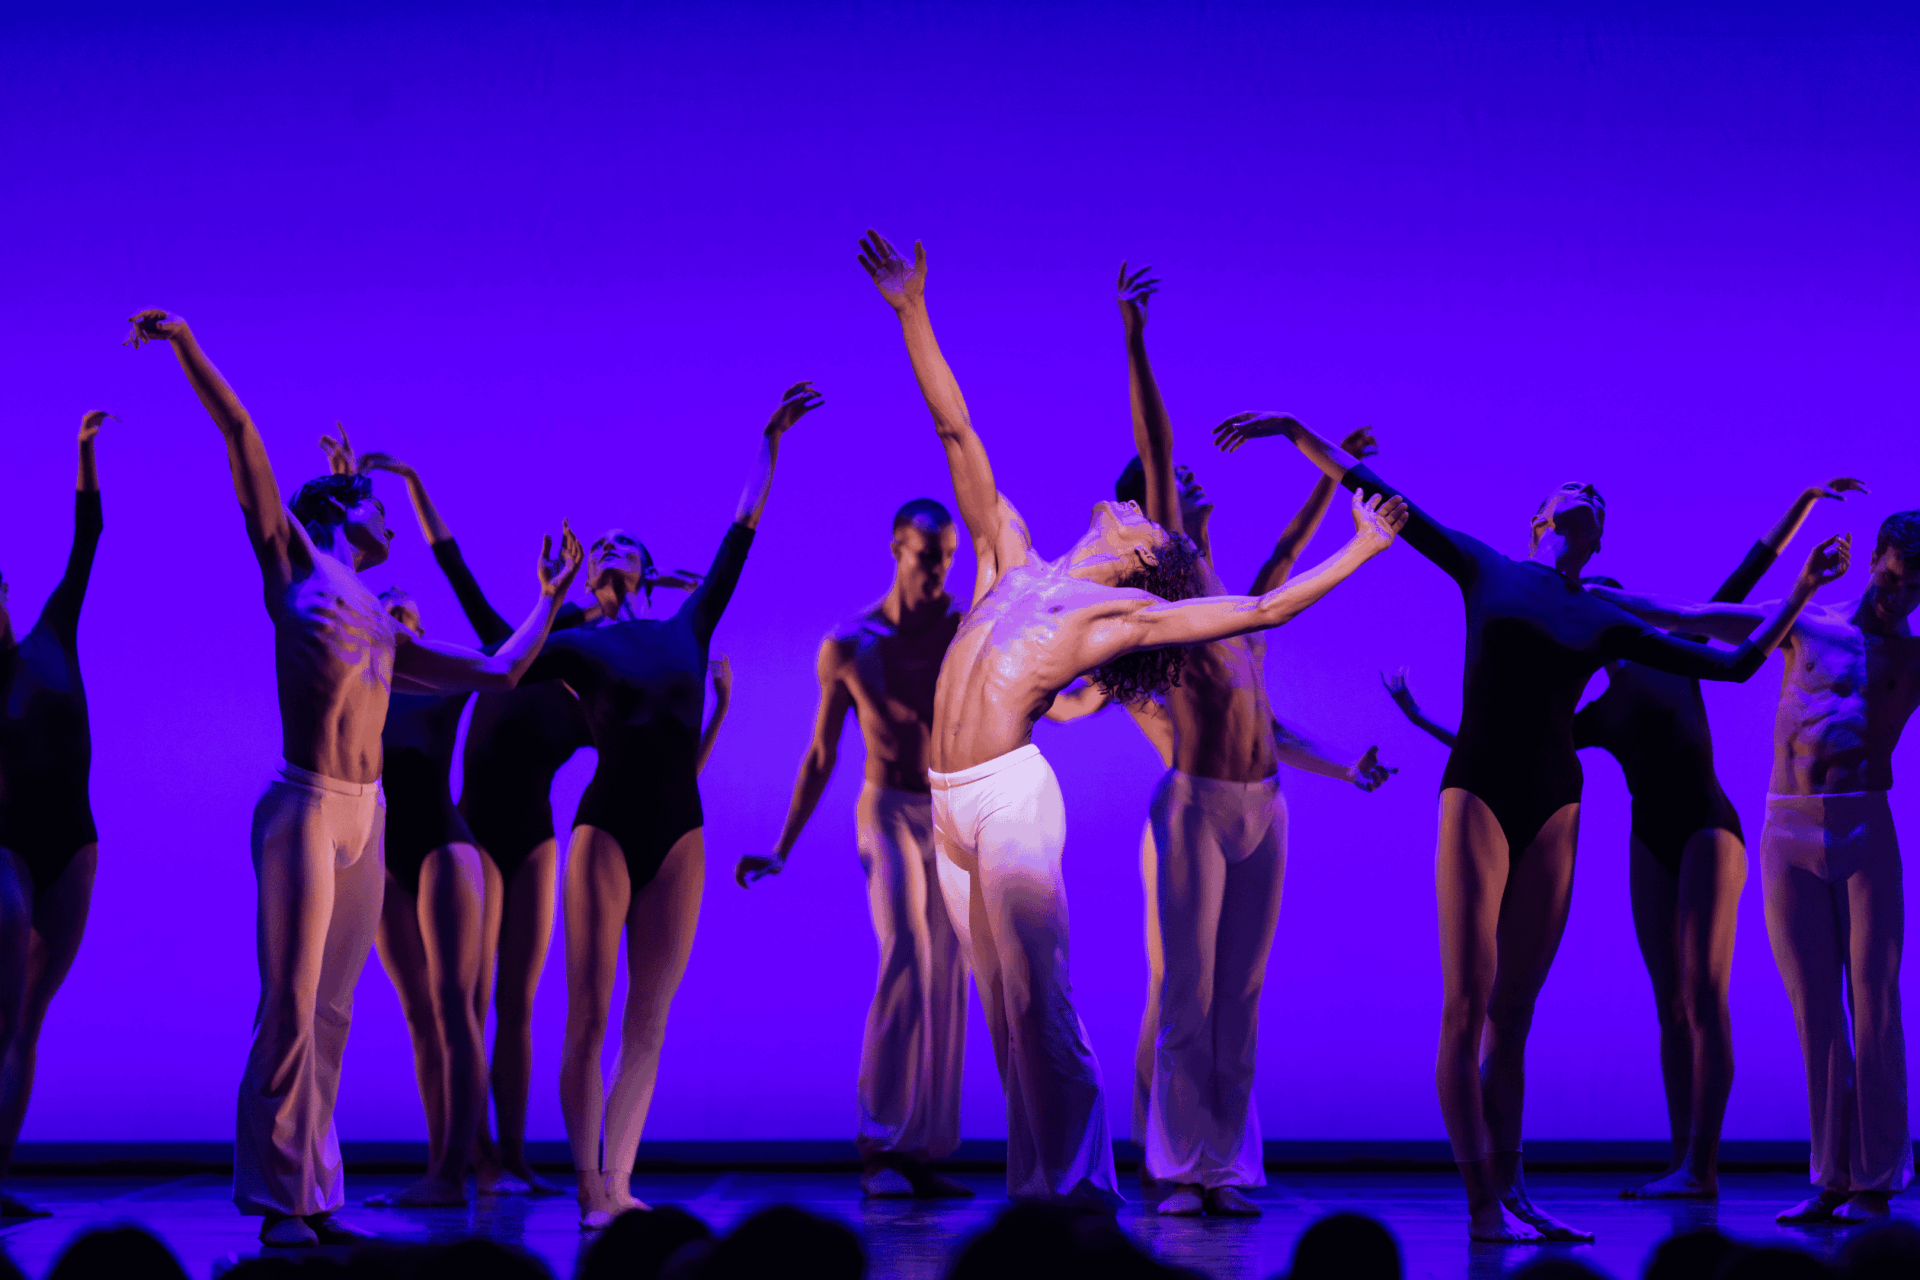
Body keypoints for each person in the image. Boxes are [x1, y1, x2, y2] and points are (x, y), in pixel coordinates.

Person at [857, 229, 1409, 1207]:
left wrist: (1362, 548)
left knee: (1042, 996)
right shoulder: (1009, 552)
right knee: (1001, 1005)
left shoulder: (1115, 616)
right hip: (947, 803)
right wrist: (912, 313)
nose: (1138, 507)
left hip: (1010, 796)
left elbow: (1261, 606)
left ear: (1140, 559)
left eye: (1148, 518)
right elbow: (956, 430)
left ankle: (1081, 1192)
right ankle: (1036, 1184)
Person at [1212, 409, 1847, 1241]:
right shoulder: (1488, 567)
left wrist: (1803, 589)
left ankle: (1512, 1191)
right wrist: (1293, 430)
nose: (1588, 493)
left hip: (1557, 800)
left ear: (1597, 537)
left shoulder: (1608, 618)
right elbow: (1372, 485)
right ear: (1540, 518)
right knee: (1465, 1006)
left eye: (1599, 499)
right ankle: (1483, 1205)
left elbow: (1732, 665)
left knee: (1514, 1014)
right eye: (1571, 489)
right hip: (1478, 787)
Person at [126, 309, 583, 1248]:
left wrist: (548, 599)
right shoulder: (293, 562)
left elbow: (499, 671)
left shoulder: (380, 615)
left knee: (335, 1010)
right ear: (338, 511)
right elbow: (242, 433)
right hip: (302, 805)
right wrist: (186, 344)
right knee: (291, 1002)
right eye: (374, 504)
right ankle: (274, 1204)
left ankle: (316, 1194)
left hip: (366, 817)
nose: (388, 516)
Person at [1382, 477, 1867, 1200]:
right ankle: (1682, 1163)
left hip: (1707, 825)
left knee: (1703, 994)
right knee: (1670, 1001)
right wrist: (1423, 719)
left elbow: (1750, 572)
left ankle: (1702, 1164)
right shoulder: (1603, 711)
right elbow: (1516, 741)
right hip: (1652, 836)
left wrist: (1800, 507)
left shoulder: (1675, 645)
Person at [1044, 267, 1393, 1217]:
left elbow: (1268, 705)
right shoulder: (1165, 592)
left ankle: (1226, 1167)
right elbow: (1157, 445)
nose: (1192, 476)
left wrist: (1343, 768)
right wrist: (1134, 337)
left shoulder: (1229, 596)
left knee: (1241, 996)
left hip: (1265, 805)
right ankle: (1177, 1168)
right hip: (1194, 809)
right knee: (1188, 994)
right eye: (1172, 486)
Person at [530, 381, 821, 1228]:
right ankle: (588, 1186)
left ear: (646, 569)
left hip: (679, 832)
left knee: (648, 1020)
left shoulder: (687, 628)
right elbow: (507, 665)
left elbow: (740, 536)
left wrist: (769, 442)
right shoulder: (577, 642)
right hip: (604, 831)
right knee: (588, 1013)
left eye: (626, 543)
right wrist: (548, 595)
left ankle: (619, 1182)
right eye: (602, 545)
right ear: (592, 569)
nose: (612, 548)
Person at [1589, 509, 1920, 1224]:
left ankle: (1875, 1184)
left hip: (1865, 825)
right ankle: (1833, 1178)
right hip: (1787, 827)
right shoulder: (1807, 623)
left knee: (1875, 1002)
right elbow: (1688, 616)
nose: (1902, 598)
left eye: (1917, 590)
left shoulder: (1913, 655)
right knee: (1815, 1009)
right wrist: (1587, 594)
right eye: (1896, 580)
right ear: (1876, 560)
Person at [735, 498, 973, 1200]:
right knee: (906, 951)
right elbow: (820, 754)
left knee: (948, 973)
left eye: (949, 557)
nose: (940, 571)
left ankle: (924, 1149)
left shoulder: (963, 629)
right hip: (888, 810)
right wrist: (782, 846)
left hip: (949, 809)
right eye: (929, 557)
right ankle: (883, 1147)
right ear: (898, 547)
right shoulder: (849, 643)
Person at [0, 411, 110, 1218]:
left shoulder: (52, 633)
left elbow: (87, 539)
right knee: (2, 1014)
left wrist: (83, 452)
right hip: (6, 849)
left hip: (73, 846)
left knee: (28, 1021)